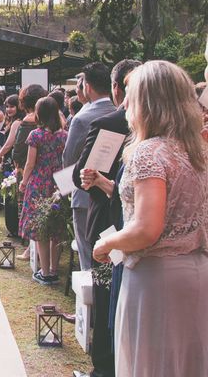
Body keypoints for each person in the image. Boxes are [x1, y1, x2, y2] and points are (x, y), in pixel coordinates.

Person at [91, 61, 208, 377]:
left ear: (149, 101)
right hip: (196, 271)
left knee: (150, 365)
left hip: (157, 277)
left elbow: (146, 229)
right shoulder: (196, 149)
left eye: (131, 95)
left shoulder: (150, 152)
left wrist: (106, 243)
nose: (125, 103)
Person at [72, 59, 141, 377]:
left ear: (119, 88)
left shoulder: (111, 124)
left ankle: (105, 365)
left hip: (109, 224)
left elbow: (80, 174)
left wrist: (93, 178)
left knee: (106, 289)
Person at [63, 62, 115, 271]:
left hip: (85, 194)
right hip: (114, 193)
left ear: (88, 87)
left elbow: (68, 159)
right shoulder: (119, 113)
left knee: (88, 255)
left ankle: (90, 301)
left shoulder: (82, 118)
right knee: (111, 254)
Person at [19, 97, 67, 284]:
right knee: (56, 228)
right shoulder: (64, 135)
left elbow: (30, 163)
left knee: (41, 228)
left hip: (39, 182)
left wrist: (23, 182)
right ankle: (54, 270)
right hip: (58, 183)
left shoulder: (36, 135)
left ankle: (45, 272)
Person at [12, 85, 46, 260]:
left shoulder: (28, 122)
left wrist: (21, 175)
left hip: (34, 174)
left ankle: (31, 250)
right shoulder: (57, 121)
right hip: (52, 174)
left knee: (31, 213)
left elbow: (19, 150)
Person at [0, 94, 25, 237]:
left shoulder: (17, 122)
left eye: (12, 106)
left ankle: (14, 227)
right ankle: (13, 226)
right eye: (7, 106)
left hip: (11, 160)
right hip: (9, 159)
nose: (8, 109)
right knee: (10, 193)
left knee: (12, 194)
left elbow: (9, 143)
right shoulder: (12, 121)